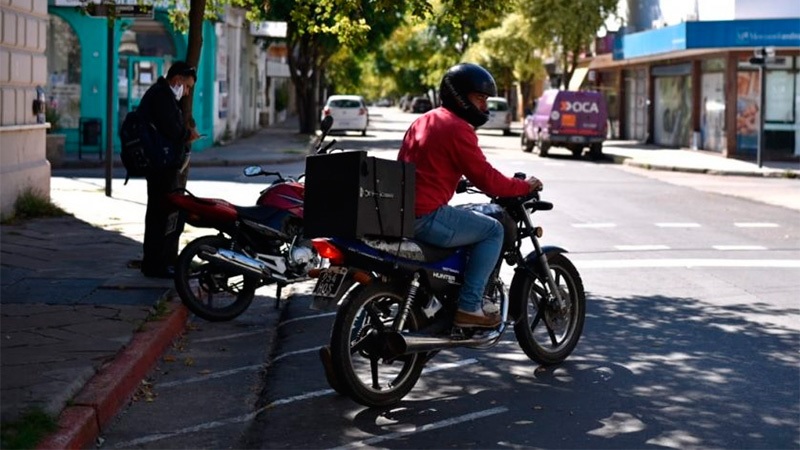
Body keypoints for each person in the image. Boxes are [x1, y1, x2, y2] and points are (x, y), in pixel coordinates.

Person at [397, 63, 543, 328]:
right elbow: (488, 180)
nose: (484, 108)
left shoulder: (424, 120)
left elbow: (425, 165)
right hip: (426, 216)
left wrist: (454, 178)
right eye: (479, 99)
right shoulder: (457, 127)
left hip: (402, 213)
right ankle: (469, 306)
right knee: (493, 230)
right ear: (460, 97)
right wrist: (524, 186)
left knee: (469, 219)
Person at [136, 61, 199, 278]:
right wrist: (187, 134)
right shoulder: (161, 96)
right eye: (187, 86)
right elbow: (172, 129)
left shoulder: (164, 95)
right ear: (177, 79)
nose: (187, 91)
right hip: (160, 165)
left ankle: (156, 262)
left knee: (160, 214)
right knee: (160, 216)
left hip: (162, 164)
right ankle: (155, 265)